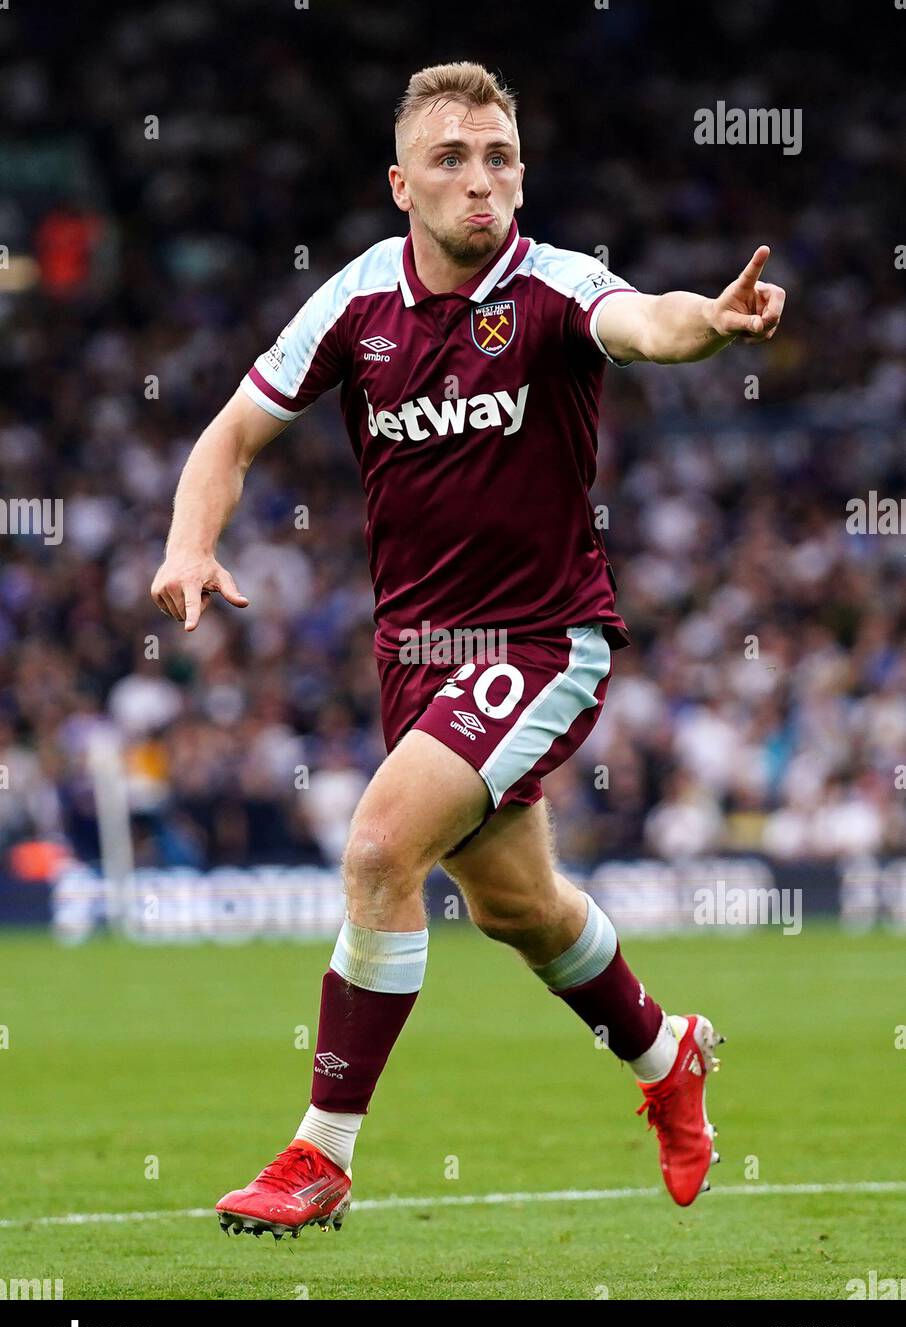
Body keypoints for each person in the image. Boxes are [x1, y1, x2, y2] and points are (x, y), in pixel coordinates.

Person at [151, 61, 785, 1238]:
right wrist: (190, 545)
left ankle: (320, 1155)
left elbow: (646, 324)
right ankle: (666, 1052)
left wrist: (713, 318)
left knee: (381, 844)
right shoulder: (355, 302)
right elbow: (230, 435)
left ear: (521, 176)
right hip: (417, 654)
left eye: (499, 158)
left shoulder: (552, 286)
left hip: (544, 639)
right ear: (402, 184)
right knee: (518, 909)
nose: (480, 180)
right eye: (451, 158)